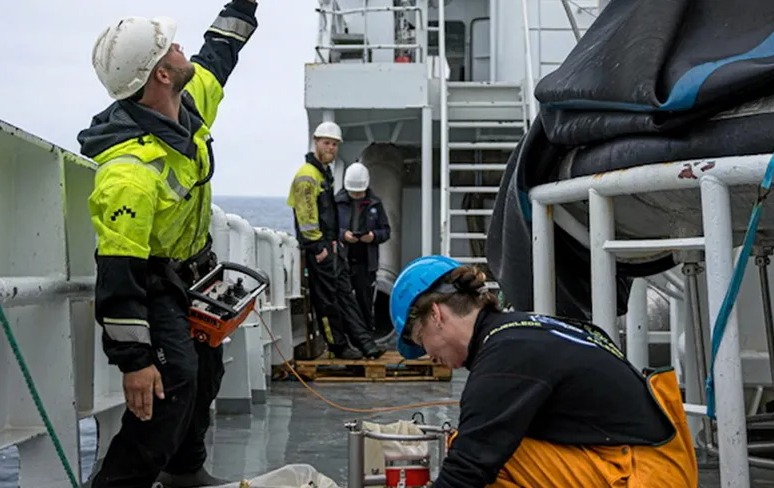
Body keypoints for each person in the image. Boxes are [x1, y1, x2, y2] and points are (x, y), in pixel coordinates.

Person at [76, 2, 258, 486]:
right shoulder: (128, 175)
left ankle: (185, 472)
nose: (184, 49)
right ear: (161, 73)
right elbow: (118, 271)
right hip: (153, 282)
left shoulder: (187, 100)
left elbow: (219, 52)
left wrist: (243, 5)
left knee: (206, 371)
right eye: (173, 47)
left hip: (194, 272)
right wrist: (135, 363)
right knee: (169, 386)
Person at [389, 255, 699, 488]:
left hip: (642, 474)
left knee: (487, 456)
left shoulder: (504, 356)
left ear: (436, 314)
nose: (428, 354)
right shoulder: (524, 330)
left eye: (420, 339)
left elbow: (468, 467)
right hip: (653, 462)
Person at [287, 122, 384, 360]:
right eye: (327, 143)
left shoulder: (323, 174)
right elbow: (307, 218)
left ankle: (365, 345)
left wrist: (332, 244)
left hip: (332, 248)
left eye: (334, 144)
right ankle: (337, 346)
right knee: (328, 301)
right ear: (316, 142)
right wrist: (318, 247)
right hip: (320, 250)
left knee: (345, 297)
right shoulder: (307, 177)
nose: (331, 148)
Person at [335, 162, 391, 335]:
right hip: (343, 260)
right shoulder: (337, 203)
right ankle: (347, 338)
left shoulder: (375, 204)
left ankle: (367, 337)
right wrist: (343, 235)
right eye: (353, 192)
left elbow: (386, 231)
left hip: (366, 262)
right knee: (342, 301)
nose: (356, 195)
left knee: (365, 302)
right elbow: (329, 228)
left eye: (359, 192)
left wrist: (372, 237)